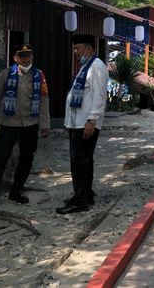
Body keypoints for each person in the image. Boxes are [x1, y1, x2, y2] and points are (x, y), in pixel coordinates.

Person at [0, 44, 50, 209]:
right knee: (0, 158)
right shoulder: (5, 75)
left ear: (32, 56)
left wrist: (45, 124)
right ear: (15, 58)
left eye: (29, 55)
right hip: (8, 124)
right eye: (22, 56)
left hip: (30, 124)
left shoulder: (39, 75)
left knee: (27, 159)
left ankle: (16, 190)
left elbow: (44, 101)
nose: (26, 58)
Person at [56, 34, 109, 214]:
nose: (76, 53)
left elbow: (99, 96)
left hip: (85, 123)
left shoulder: (97, 66)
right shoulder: (86, 67)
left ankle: (81, 200)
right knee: (80, 160)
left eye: (78, 49)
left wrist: (92, 120)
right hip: (76, 123)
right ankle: (84, 194)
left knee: (81, 161)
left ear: (88, 48)